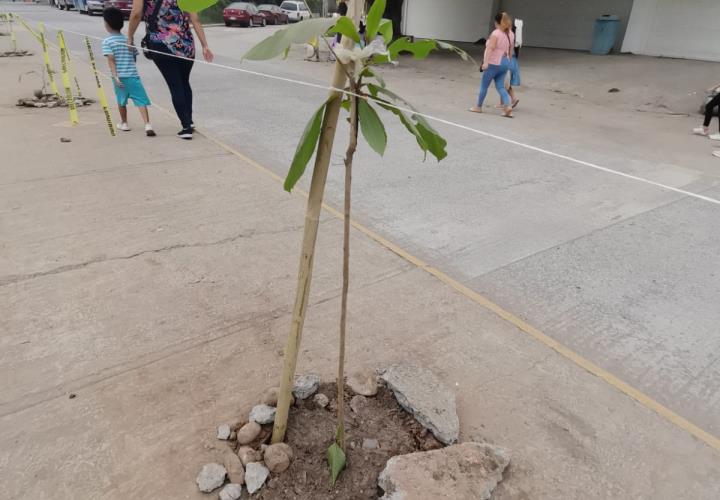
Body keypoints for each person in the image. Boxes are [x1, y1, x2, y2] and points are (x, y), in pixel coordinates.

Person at [127, 0, 214, 140]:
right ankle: (189, 121)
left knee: (175, 85)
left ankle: (186, 127)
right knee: (184, 82)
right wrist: (205, 45)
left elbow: (136, 14)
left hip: (160, 41)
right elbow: (195, 19)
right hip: (185, 42)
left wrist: (130, 37)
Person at [102, 7, 155, 136]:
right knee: (140, 100)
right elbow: (134, 57)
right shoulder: (128, 40)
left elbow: (111, 61)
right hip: (133, 75)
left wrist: (115, 76)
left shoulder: (107, 42)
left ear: (107, 24)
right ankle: (147, 125)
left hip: (119, 77)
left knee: (121, 100)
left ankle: (124, 123)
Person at [470, 12, 515, 117]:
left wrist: (485, 62)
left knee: (484, 86)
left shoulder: (496, 33)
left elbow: (490, 48)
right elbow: (511, 50)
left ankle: (478, 107)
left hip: (493, 62)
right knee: (500, 86)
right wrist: (509, 62)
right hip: (505, 62)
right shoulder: (511, 34)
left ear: (498, 22)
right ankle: (507, 107)